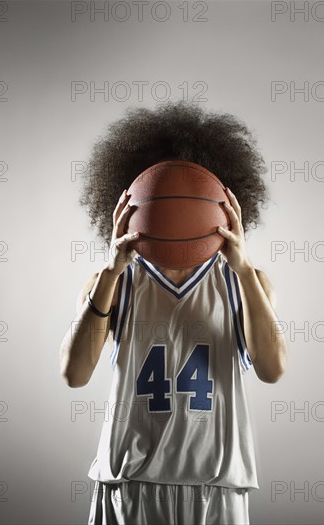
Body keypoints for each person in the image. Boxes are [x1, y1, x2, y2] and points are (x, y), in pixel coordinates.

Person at [60, 102, 287, 525]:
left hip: (215, 485)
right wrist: (111, 271)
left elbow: (272, 369)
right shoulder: (112, 282)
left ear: (225, 205)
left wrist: (241, 267)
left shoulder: (244, 282)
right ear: (132, 204)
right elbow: (74, 375)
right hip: (129, 482)